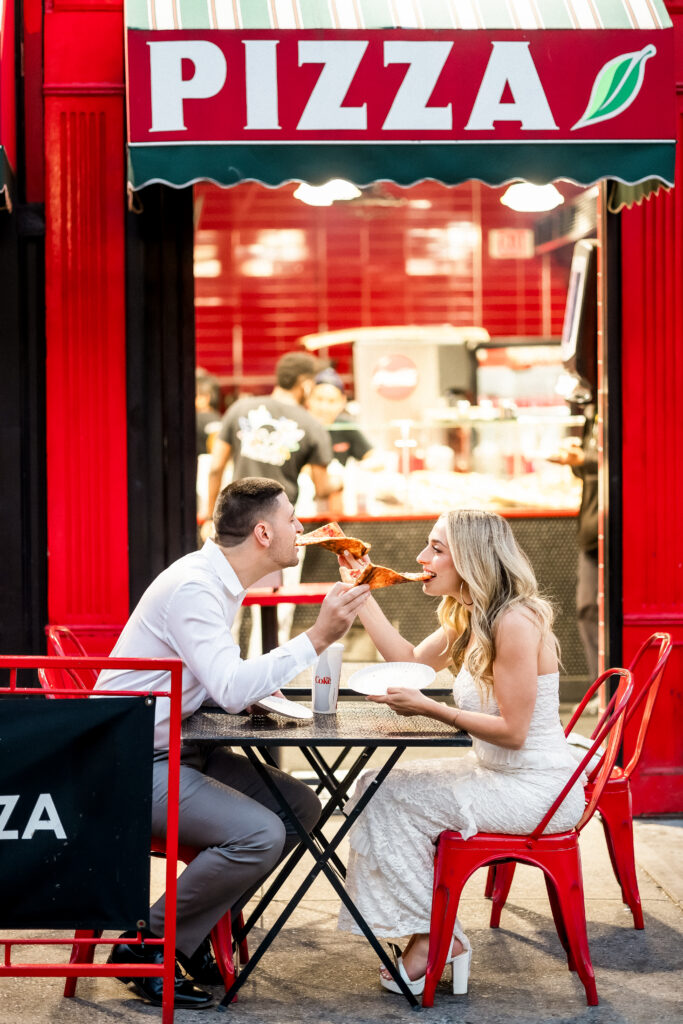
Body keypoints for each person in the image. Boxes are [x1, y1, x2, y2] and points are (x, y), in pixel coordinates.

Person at [95, 478, 369, 1009]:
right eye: (293, 519)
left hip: (177, 746)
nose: (301, 529)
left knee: (300, 807)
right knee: (260, 834)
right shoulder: (196, 588)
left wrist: (253, 694)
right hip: (126, 763)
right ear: (263, 532)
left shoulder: (221, 584)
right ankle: (148, 943)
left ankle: (192, 937)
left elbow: (222, 684)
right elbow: (230, 685)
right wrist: (317, 636)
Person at [335, 510, 586, 997]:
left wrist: (432, 709)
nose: (420, 558)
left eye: (435, 548)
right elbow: (409, 662)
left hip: (535, 788)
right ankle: (435, 932)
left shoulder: (514, 620)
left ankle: (435, 939)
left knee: (384, 798)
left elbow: (513, 733)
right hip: (496, 774)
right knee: (372, 788)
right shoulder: (475, 612)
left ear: (470, 559)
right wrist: (361, 594)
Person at [204, 352, 341, 531]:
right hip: (280, 526)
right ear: (305, 384)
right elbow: (322, 489)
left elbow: (215, 468)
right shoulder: (313, 426)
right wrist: (339, 482)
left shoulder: (239, 408)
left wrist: (210, 518)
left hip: (237, 520)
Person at [548, 405, 599, 682]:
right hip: (591, 531)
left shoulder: (611, 407)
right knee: (587, 609)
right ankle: (600, 685)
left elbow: (628, 459)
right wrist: (577, 460)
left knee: (600, 610)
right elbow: (589, 474)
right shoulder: (592, 417)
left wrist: (583, 457)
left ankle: (612, 687)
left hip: (617, 532)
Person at [307, 368, 373, 466]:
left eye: (331, 401)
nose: (324, 407)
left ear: (342, 401)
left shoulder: (346, 426)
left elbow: (373, 458)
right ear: (308, 398)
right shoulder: (299, 426)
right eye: (319, 399)